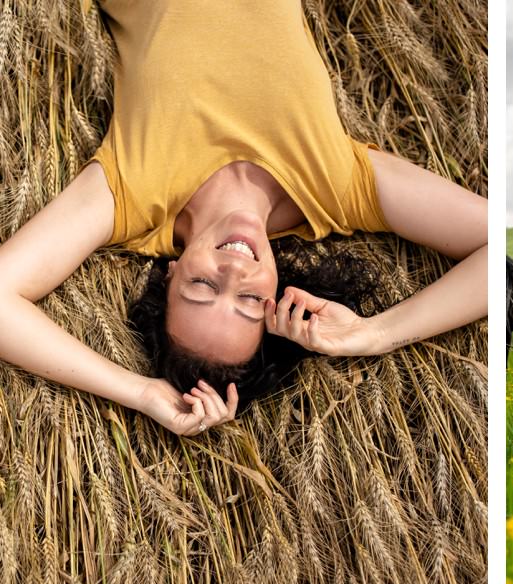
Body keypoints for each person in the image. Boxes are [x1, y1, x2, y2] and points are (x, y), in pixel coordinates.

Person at [0, 0, 487, 438]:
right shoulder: (335, 187)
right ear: (276, 296)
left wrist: (140, 392)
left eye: (203, 288)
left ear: (170, 275)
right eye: (251, 300)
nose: (232, 272)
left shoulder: (131, 194)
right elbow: (495, 243)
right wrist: (375, 334)